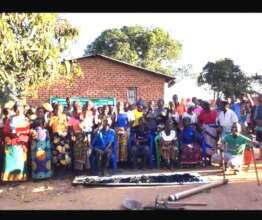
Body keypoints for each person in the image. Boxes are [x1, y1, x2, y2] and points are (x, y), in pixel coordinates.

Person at [1, 102, 30, 181]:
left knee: (20, 161)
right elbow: (6, 130)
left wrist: (21, 139)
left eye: (20, 108)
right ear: (14, 109)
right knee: (10, 161)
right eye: (16, 108)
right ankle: (9, 178)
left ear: (23, 109)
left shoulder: (25, 119)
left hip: (21, 143)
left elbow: (27, 131)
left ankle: (20, 178)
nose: (18, 110)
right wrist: (8, 138)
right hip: (11, 143)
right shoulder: (10, 119)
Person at [49, 104, 71, 170]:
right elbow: (49, 125)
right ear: (55, 110)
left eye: (60, 109)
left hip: (63, 136)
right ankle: (57, 168)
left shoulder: (64, 116)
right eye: (57, 109)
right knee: (56, 152)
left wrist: (65, 132)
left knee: (64, 152)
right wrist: (49, 117)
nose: (58, 110)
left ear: (61, 110)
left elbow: (67, 126)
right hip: (55, 136)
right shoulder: (53, 117)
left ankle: (64, 168)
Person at [30, 114, 53, 180]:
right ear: (41, 124)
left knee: (36, 163)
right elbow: (48, 139)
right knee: (44, 163)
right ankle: (45, 175)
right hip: (44, 151)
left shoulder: (32, 131)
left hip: (35, 152)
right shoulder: (45, 131)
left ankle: (36, 176)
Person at [69, 105, 89, 172]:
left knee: (84, 152)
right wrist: (72, 135)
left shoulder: (83, 119)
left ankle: (84, 168)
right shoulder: (71, 119)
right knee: (77, 153)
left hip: (83, 137)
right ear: (74, 112)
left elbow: (86, 129)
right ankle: (78, 169)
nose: (78, 113)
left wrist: (86, 136)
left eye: (79, 112)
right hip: (76, 137)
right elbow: (70, 129)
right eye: (76, 112)